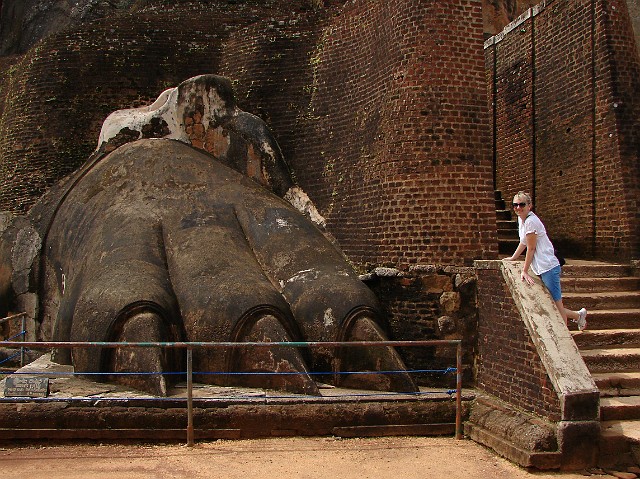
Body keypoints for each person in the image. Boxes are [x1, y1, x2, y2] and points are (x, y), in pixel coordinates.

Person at [506, 191, 587, 331]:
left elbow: (531, 248)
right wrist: (513, 258)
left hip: (548, 267)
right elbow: (523, 242)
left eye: (521, 204)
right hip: (540, 268)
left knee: (557, 305)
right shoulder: (522, 219)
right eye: (515, 205)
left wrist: (525, 270)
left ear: (529, 206)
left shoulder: (531, 221)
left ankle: (565, 337)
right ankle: (578, 316)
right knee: (550, 303)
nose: (518, 208)